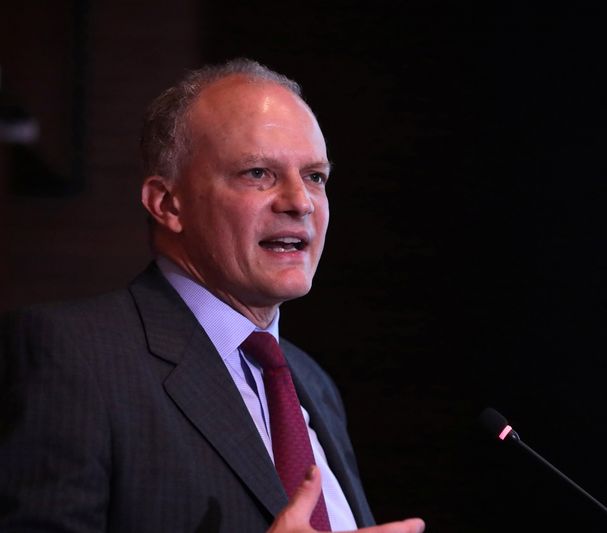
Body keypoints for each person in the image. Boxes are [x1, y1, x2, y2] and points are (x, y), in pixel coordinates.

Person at [0, 58, 425, 533]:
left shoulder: (312, 382)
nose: (299, 202)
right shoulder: (72, 356)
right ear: (167, 204)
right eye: (258, 173)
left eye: (315, 177)